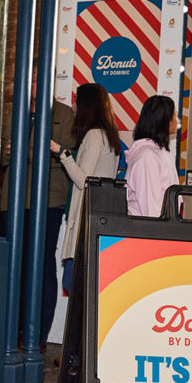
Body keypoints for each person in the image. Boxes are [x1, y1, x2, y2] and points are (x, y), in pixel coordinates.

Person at [0, 72, 75, 352]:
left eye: (39, 80)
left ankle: (39, 334)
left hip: (48, 199)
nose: (35, 85)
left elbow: (65, 156)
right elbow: (4, 155)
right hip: (13, 198)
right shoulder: (13, 112)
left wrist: (22, 150)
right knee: (15, 262)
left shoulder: (65, 115)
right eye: (30, 80)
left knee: (42, 264)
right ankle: (12, 329)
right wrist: (10, 152)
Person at [51, 83, 121, 291]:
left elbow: (84, 180)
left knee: (73, 284)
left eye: (77, 102)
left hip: (85, 218)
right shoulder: (109, 136)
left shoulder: (94, 136)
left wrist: (62, 153)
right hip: (99, 217)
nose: (73, 107)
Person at [126, 96, 179, 217]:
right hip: (147, 231)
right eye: (174, 115)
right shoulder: (147, 156)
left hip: (163, 227)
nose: (177, 120)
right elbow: (150, 208)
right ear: (164, 119)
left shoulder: (160, 151)